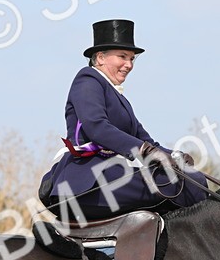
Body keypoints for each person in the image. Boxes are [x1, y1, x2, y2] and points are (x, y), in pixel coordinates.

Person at [39, 19, 209, 223]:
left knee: (192, 179)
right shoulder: (87, 80)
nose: (129, 65)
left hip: (112, 174)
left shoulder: (119, 98)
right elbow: (97, 127)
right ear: (100, 58)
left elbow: (144, 139)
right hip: (88, 182)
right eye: (122, 57)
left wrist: (174, 157)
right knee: (184, 185)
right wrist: (145, 151)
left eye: (132, 59)